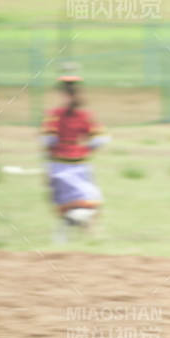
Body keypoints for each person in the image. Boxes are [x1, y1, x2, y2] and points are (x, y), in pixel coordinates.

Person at [41, 68, 110, 239]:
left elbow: (48, 141)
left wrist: (48, 163)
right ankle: (83, 234)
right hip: (80, 165)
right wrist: (86, 149)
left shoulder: (54, 116)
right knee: (90, 202)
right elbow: (101, 139)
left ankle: (72, 231)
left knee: (71, 204)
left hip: (59, 166)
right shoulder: (85, 116)